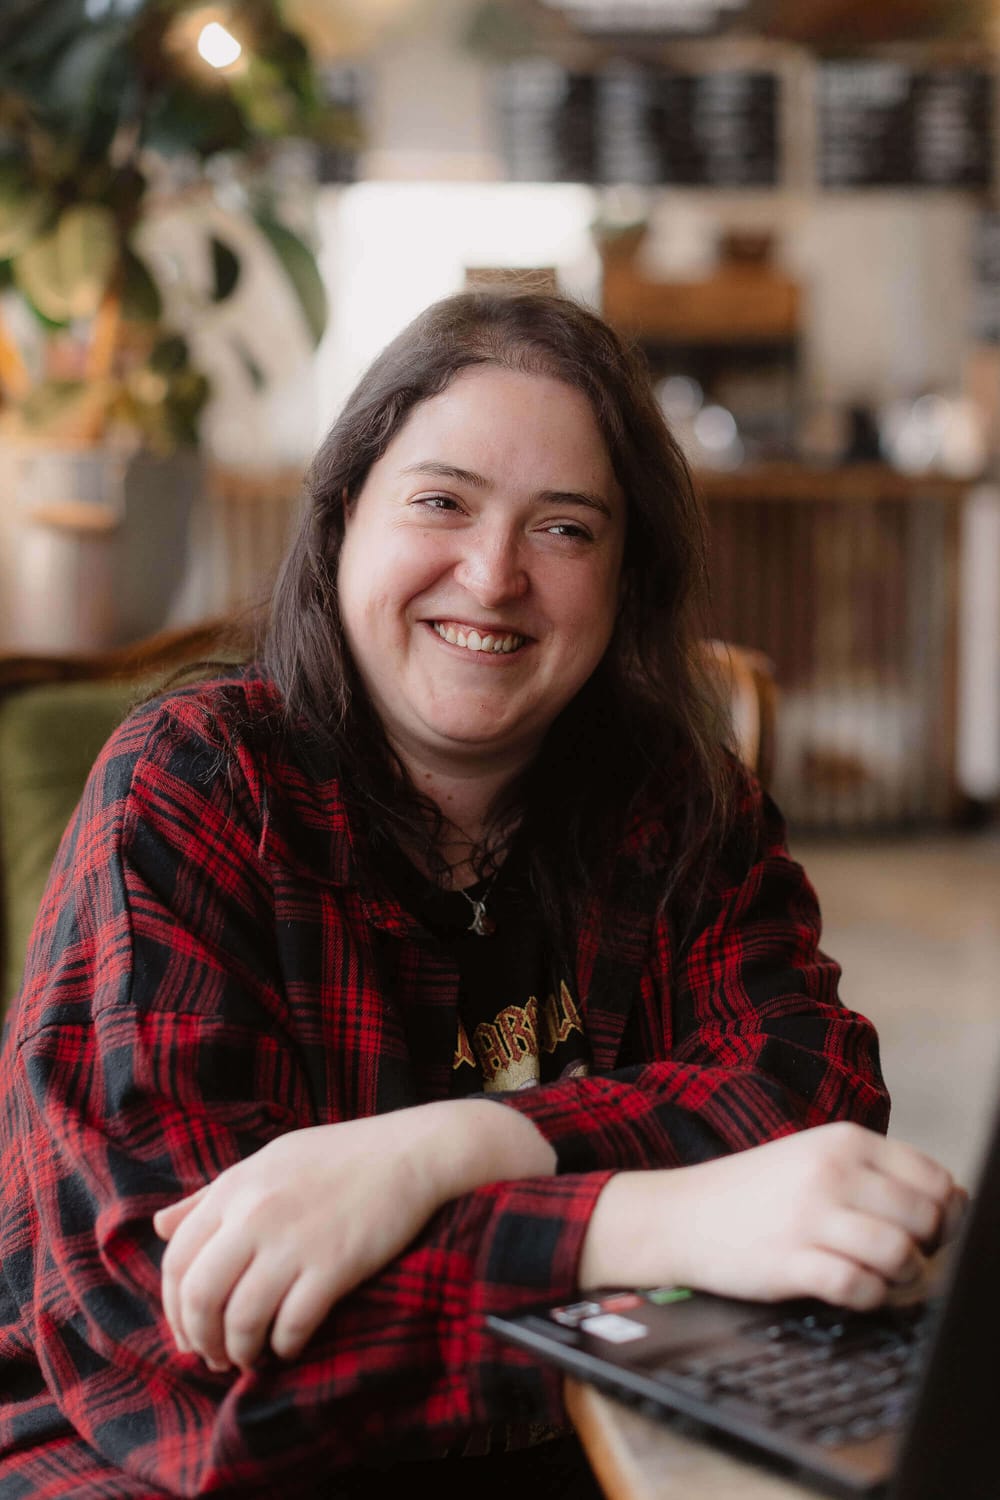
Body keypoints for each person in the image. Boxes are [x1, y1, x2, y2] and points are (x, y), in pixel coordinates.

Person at [0, 291, 962, 1499]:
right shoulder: (193, 785)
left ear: (625, 578)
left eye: (564, 528)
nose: (494, 575)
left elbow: (806, 1098)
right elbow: (178, 1338)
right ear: (343, 517)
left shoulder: (675, 803)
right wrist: (642, 1226)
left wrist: (448, 1148)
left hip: (563, 1450)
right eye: (441, 502)